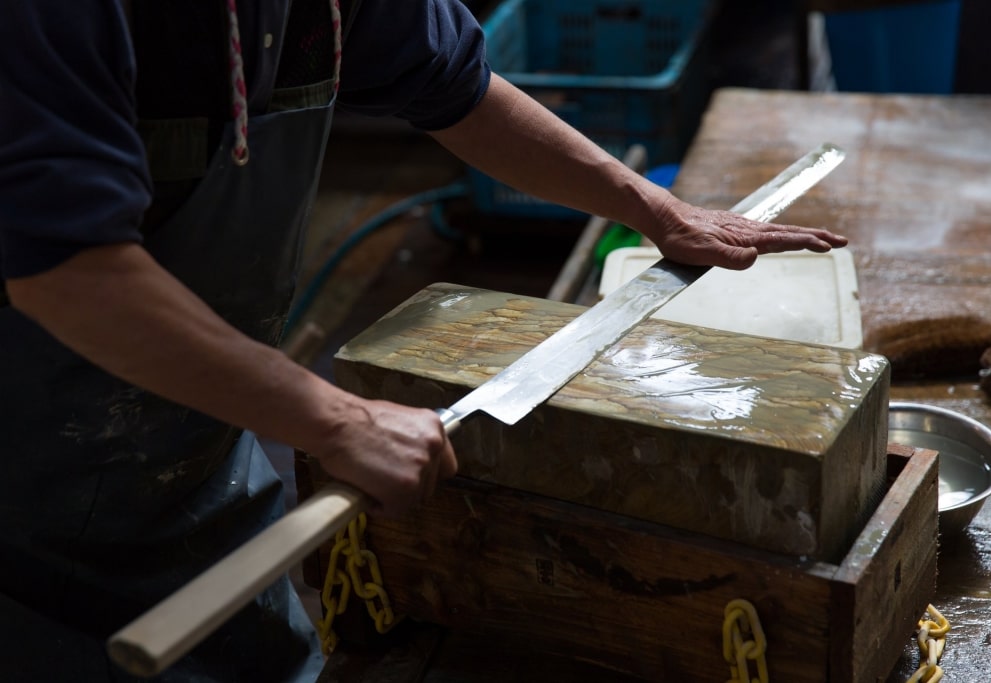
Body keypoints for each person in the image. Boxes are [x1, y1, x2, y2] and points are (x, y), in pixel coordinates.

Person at [0, 0, 847, 681]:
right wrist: (338, 421)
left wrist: (653, 209)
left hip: (199, 463)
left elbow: (461, 91)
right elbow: (68, 269)